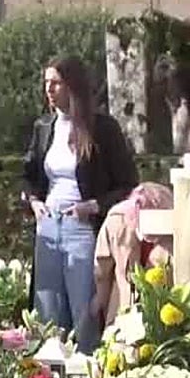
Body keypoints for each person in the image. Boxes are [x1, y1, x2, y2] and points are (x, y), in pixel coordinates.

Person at [22, 55, 137, 353]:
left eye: (56, 83)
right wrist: (34, 202)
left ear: (73, 85)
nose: (49, 89)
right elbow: (30, 177)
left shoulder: (102, 128)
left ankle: (88, 375)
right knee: (46, 311)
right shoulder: (43, 127)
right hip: (48, 225)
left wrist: (94, 206)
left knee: (85, 309)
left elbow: (127, 183)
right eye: (46, 83)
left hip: (82, 227)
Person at [92, 182, 173, 327]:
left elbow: (102, 271)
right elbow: (102, 270)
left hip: (165, 316)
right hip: (125, 309)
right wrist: (102, 301)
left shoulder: (175, 227)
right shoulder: (116, 221)